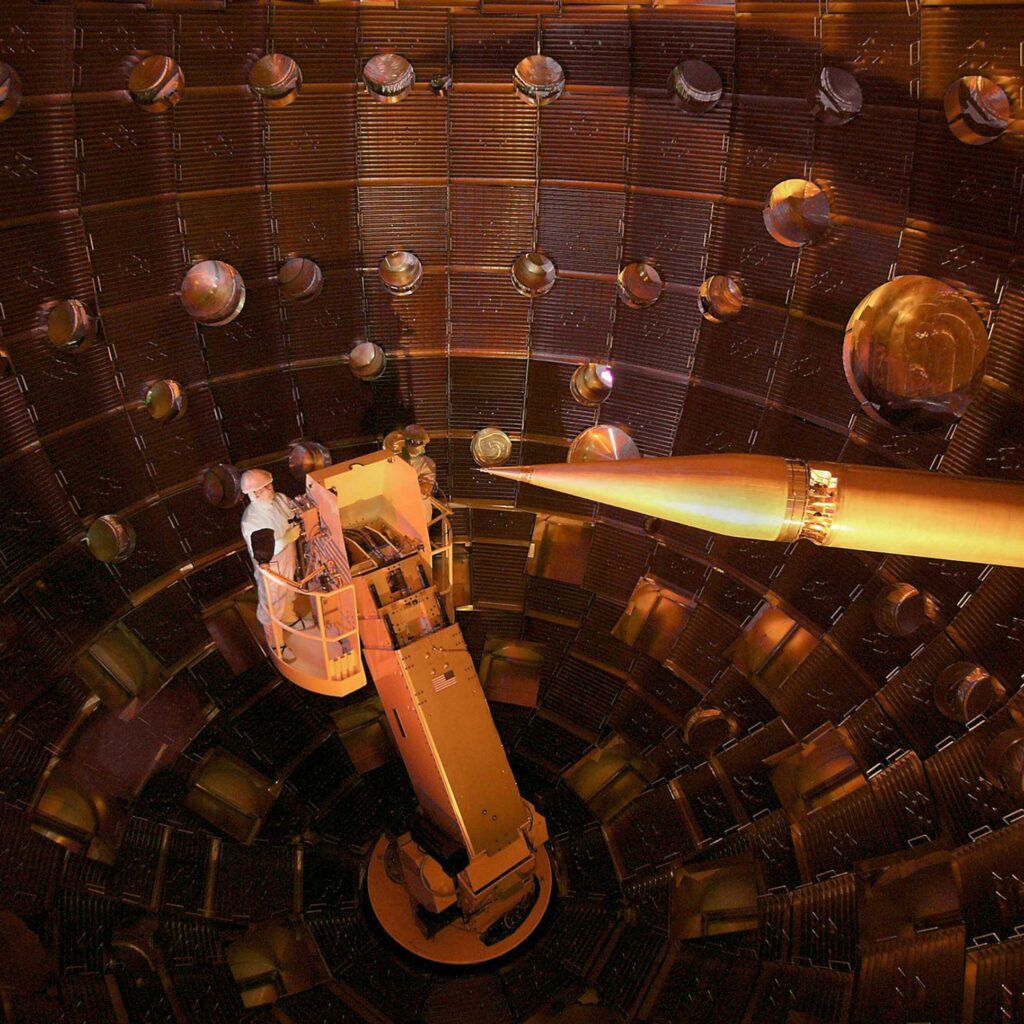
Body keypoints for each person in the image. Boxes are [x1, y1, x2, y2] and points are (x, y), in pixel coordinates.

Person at [239, 469, 303, 630]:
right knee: (272, 600)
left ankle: (289, 617)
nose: (270, 489)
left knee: (288, 590)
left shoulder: (279, 499)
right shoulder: (251, 520)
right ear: (254, 493)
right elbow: (261, 553)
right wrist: (286, 539)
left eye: (269, 484)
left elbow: (294, 510)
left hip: (288, 554)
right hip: (272, 565)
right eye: (265, 487)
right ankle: (275, 637)